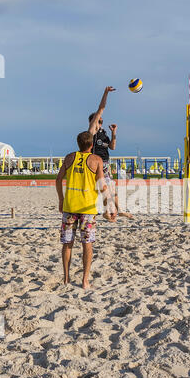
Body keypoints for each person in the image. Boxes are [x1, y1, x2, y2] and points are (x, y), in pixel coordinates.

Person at [56, 131, 117, 289]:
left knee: (67, 244)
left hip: (70, 207)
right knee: (87, 244)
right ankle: (84, 281)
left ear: (78, 144)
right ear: (91, 145)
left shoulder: (70, 157)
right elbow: (103, 186)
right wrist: (108, 205)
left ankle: (66, 279)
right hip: (88, 209)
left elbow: (58, 179)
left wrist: (61, 200)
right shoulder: (96, 160)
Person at [88, 111, 133, 219]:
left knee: (110, 188)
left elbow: (112, 147)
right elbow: (94, 122)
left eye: (101, 121)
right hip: (95, 163)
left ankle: (117, 210)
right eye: (99, 120)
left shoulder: (104, 134)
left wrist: (113, 132)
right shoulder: (91, 133)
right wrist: (97, 118)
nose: (100, 122)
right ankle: (107, 211)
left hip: (105, 164)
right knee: (104, 189)